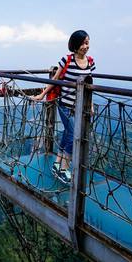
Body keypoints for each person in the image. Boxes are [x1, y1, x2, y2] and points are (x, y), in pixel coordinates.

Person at [32, 30, 95, 183]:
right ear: (75, 44)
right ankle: (64, 169)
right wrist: (42, 94)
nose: (86, 46)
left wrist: (91, 105)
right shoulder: (66, 60)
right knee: (73, 134)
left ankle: (57, 164)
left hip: (80, 107)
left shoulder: (91, 62)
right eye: (83, 43)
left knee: (68, 132)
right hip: (65, 105)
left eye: (87, 42)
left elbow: (90, 86)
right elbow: (55, 79)